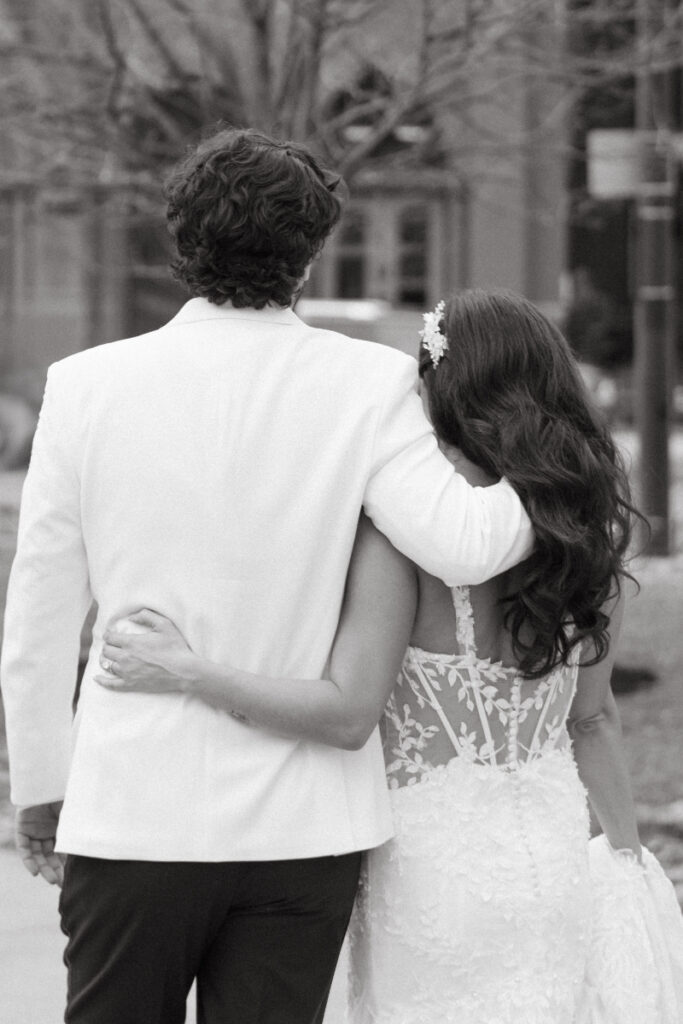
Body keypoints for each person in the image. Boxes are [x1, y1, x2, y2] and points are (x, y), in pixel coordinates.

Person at [0, 132, 534, 1024]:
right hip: (307, 827)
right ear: (312, 252)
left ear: (179, 243)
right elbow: (470, 543)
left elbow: (40, 623)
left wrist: (42, 794)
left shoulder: (86, 386)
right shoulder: (370, 386)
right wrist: (561, 456)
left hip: (133, 812)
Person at [99, 290, 683, 1024]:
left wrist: (186, 669)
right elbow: (592, 722)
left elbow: (347, 710)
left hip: (431, 869)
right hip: (552, 859)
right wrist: (626, 867)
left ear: (440, 388)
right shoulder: (582, 532)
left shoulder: (400, 537)